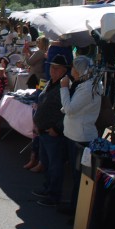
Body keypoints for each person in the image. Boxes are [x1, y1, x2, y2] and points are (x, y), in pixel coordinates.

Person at [60, 55, 102, 212]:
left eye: (73, 68)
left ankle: (77, 209)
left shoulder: (88, 88)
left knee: (79, 175)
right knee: (75, 173)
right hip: (75, 134)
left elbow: (70, 109)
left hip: (80, 136)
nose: (71, 70)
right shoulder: (85, 85)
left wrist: (64, 88)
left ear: (79, 70)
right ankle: (73, 205)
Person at [31, 54, 70, 207]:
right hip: (43, 130)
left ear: (64, 70)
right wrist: (37, 122)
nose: (52, 70)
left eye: (56, 68)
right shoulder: (50, 83)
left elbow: (67, 111)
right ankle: (47, 188)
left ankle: (54, 195)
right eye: (52, 67)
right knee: (46, 162)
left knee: (55, 165)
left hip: (53, 132)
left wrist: (57, 128)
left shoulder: (65, 86)